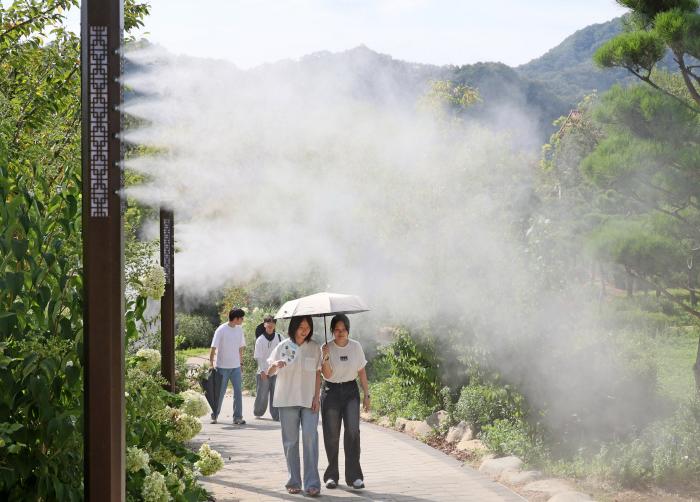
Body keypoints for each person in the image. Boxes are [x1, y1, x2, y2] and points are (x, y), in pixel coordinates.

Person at [267, 316, 322, 497]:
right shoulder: (283, 346)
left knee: (310, 437)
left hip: (308, 400)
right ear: (294, 327)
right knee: (290, 442)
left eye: (308, 327)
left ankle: (312, 483)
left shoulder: (315, 347)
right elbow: (269, 372)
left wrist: (317, 397)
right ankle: (293, 481)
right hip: (287, 399)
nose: (305, 330)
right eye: (301, 327)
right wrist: (275, 365)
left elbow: (318, 374)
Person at [320, 314, 370, 490]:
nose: (340, 333)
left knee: (353, 432)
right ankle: (331, 476)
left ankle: (354, 477)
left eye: (343, 329)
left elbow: (361, 371)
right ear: (332, 331)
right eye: (337, 330)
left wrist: (367, 394)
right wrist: (325, 357)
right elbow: (327, 375)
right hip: (331, 391)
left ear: (348, 330)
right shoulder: (326, 347)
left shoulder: (356, 347)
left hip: (350, 391)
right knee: (331, 435)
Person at [209, 307, 247, 425]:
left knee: (238, 392)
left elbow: (240, 348)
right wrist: (211, 363)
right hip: (222, 367)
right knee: (220, 393)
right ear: (236, 318)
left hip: (236, 367)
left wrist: (241, 363)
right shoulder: (221, 330)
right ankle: (215, 415)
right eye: (241, 318)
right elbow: (213, 347)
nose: (242, 320)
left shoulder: (239, 329)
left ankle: (238, 417)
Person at [253, 314, 282, 420]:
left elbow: (285, 349)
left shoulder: (279, 337)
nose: (270, 324)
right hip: (263, 371)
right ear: (264, 324)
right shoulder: (260, 340)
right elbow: (258, 357)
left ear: (275, 325)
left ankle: (276, 415)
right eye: (268, 322)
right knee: (262, 394)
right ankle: (258, 412)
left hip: (276, 371)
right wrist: (262, 371)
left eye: (272, 322)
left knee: (276, 394)